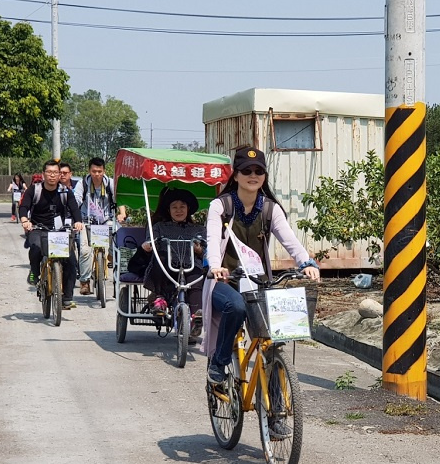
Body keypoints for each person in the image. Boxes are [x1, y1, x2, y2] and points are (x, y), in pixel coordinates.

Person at [202, 147, 320, 384]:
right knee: (235, 307)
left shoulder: (269, 208)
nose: (253, 175)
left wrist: (306, 262)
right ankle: (219, 361)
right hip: (224, 281)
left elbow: (290, 240)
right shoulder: (220, 206)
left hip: (258, 282)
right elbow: (212, 240)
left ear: (264, 176)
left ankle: (276, 390)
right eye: (247, 170)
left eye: (259, 171)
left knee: (275, 334)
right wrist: (215, 266)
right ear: (235, 175)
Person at [140, 188, 206, 339]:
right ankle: (159, 298)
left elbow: (206, 250)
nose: (178, 210)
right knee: (160, 258)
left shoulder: (198, 229)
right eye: (174, 207)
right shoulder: (158, 227)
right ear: (168, 210)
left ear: (188, 209)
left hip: (189, 264)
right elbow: (149, 242)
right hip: (166, 266)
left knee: (197, 275)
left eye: (182, 207)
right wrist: (149, 246)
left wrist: (199, 249)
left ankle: (197, 317)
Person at [18, 159, 84, 310]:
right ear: (43, 174)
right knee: (35, 248)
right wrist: (25, 220)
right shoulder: (34, 190)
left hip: (58, 230)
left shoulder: (64, 191)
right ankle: (34, 272)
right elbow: (24, 207)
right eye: (49, 172)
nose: (52, 175)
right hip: (37, 228)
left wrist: (78, 221)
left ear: (59, 174)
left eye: (55, 172)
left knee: (71, 261)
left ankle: (67, 297)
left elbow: (74, 209)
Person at [73, 157, 125, 296]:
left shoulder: (110, 184)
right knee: (85, 250)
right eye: (94, 171)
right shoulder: (82, 184)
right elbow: (76, 201)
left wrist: (122, 213)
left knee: (120, 239)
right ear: (89, 171)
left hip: (106, 220)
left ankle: (111, 256)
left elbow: (119, 200)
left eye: (99, 171)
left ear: (104, 171)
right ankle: (84, 282)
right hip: (86, 221)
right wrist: (74, 217)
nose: (97, 174)